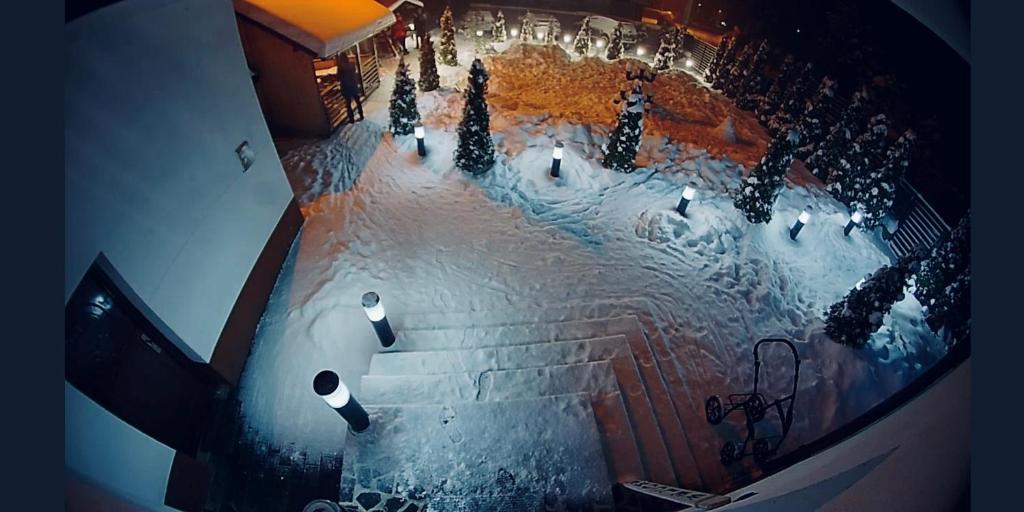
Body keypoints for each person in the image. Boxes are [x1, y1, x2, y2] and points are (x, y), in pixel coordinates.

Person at [338, 55, 364, 123]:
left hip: (346, 87)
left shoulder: (340, 68)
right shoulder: (352, 64)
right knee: (358, 101)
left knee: (348, 104)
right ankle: (361, 115)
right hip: (353, 85)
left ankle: (351, 119)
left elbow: (338, 77)